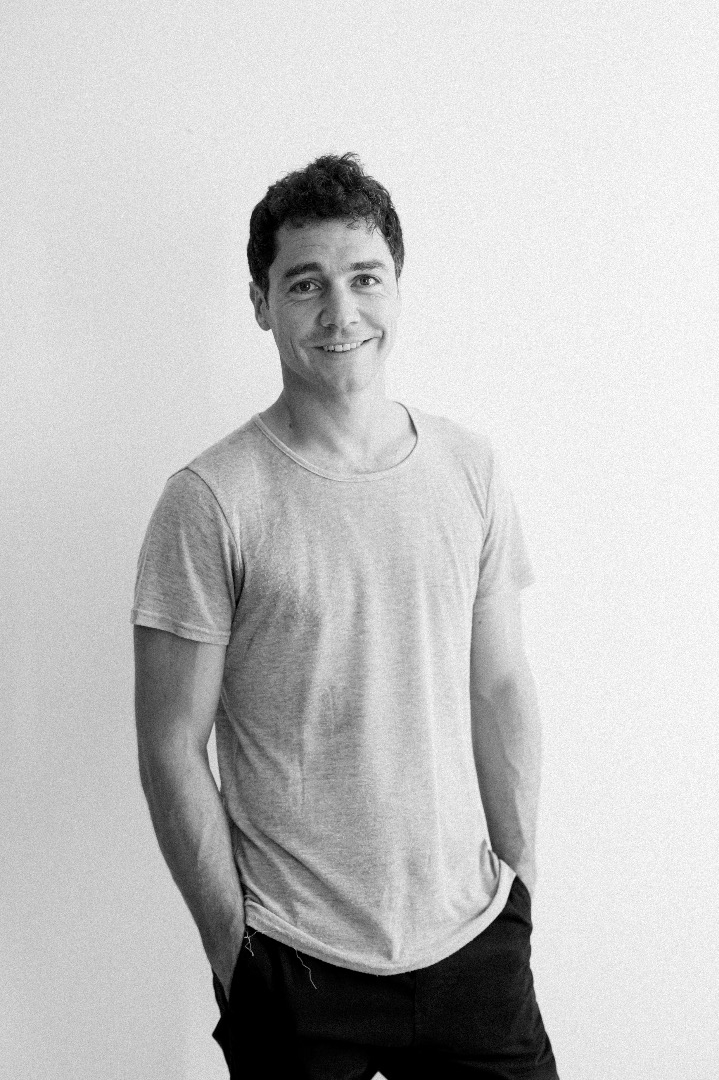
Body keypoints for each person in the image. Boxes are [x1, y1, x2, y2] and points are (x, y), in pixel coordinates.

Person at [132, 152, 559, 1079]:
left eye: (364, 278)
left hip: (473, 942)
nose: (340, 312)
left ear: (396, 286)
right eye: (305, 284)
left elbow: (497, 685)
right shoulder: (209, 500)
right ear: (261, 302)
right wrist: (235, 955)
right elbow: (170, 743)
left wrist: (519, 885)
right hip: (295, 964)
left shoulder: (470, 470)